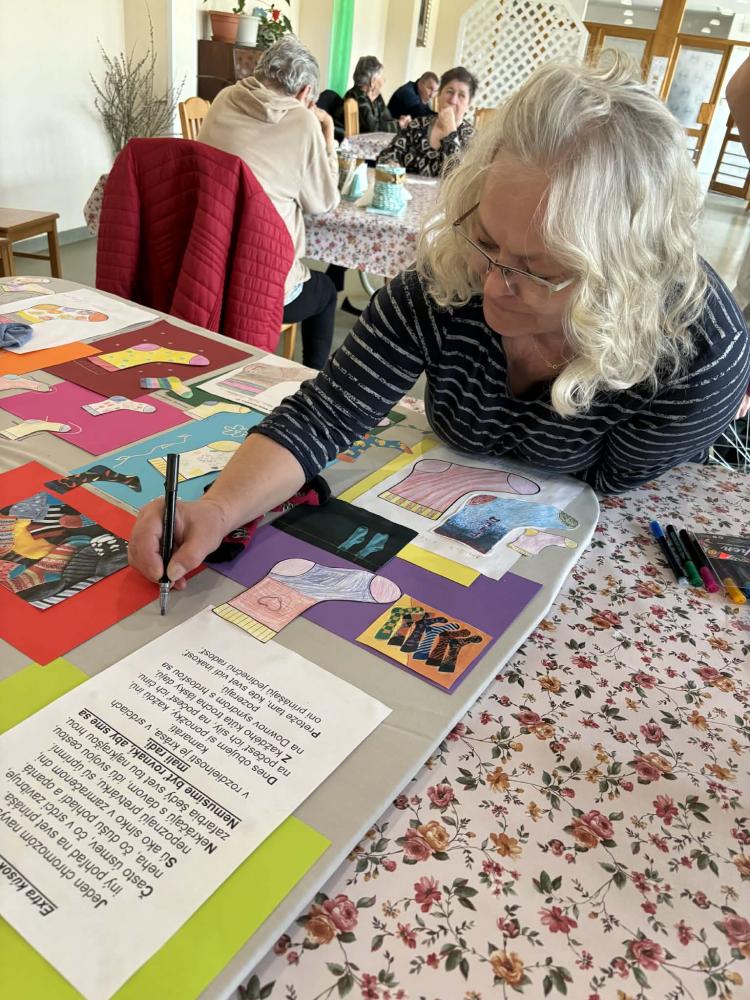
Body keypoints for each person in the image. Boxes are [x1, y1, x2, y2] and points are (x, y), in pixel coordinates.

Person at [129, 54, 750, 591]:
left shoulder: (697, 359)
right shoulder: (451, 274)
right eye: (486, 241)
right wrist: (218, 510)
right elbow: (329, 411)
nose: (491, 286)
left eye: (536, 271)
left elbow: (604, 497)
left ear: (620, 274)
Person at [197, 37, 339, 369]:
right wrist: (328, 131)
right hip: (260, 284)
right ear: (305, 92)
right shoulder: (303, 121)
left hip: (206, 264)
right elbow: (324, 201)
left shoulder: (224, 98)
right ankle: (311, 378)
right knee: (326, 291)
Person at [377, 66, 478, 177]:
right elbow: (386, 156)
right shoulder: (417, 125)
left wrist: (451, 132)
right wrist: (390, 164)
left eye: (461, 95)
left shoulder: (473, 139)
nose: (453, 100)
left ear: (468, 104)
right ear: (439, 96)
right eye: (450, 92)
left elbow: (457, 178)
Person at [341, 56, 410, 134]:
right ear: (372, 81)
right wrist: (399, 124)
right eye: (381, 76)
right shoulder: (356, 97)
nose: (384, 80)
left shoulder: (375, 97)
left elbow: (387, 120)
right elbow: (373, 129)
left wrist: (400, 122)